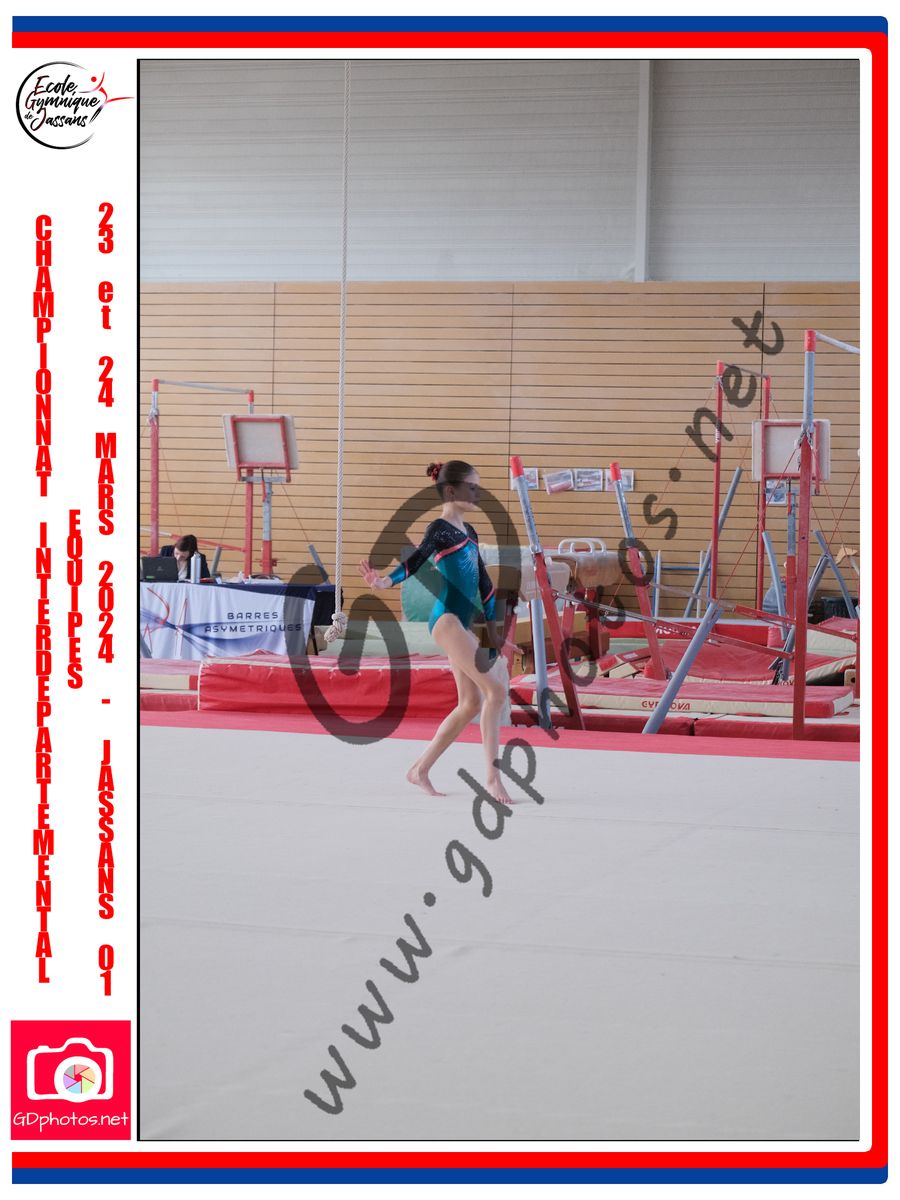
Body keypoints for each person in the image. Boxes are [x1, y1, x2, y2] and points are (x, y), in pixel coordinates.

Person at [359, 460, 515, 805]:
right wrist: (384, 582)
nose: (478, 493)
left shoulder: (469, 531)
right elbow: (416, 561)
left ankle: (419, 770)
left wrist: (494, 632)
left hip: (461, 622)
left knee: (471, 703)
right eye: (472, 487)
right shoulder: (439, 528)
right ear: (451, 490)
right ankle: (492, 778)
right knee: (496, 691)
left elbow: (484, 584)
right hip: (446, 620)